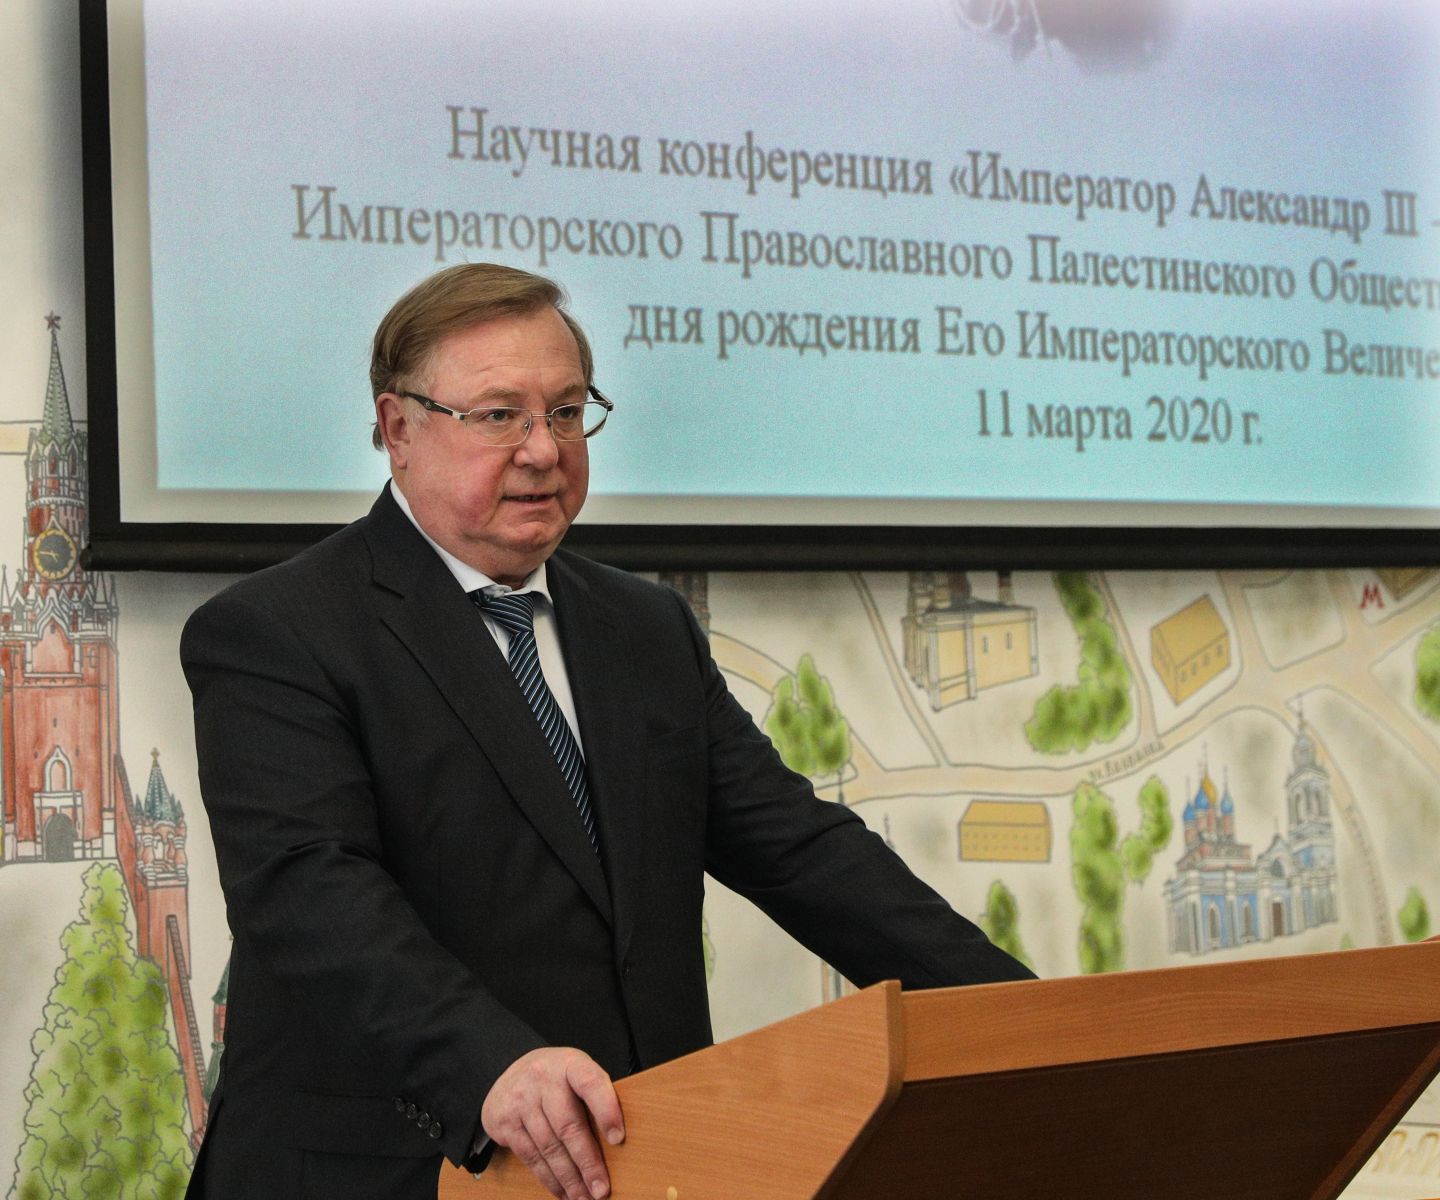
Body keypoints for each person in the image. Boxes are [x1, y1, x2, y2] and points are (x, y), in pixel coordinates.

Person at [180, 263, 1034, 1200]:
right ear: (398, 429)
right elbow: (312, 894)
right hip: (389, 1170)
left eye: (565, 411)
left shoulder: (645, 627)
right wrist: (491, 1062)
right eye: (499, 415)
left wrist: (1024, 1021)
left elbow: (803, 851)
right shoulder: (277, 632)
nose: (543, 450)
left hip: (636, 1159)